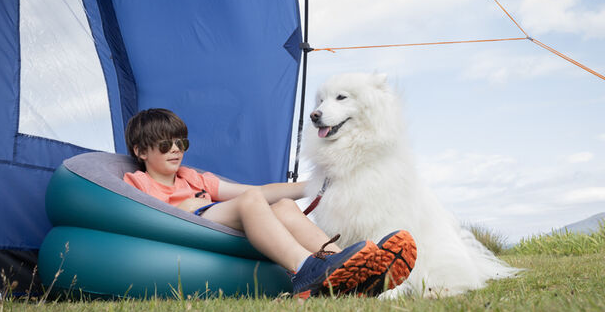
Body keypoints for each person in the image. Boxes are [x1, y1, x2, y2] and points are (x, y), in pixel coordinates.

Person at [123, 108, 416, 297]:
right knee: (250, 200)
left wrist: (311, 188)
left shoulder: (193, 177)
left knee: (284, 206)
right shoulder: (137, 182)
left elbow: (257, 191)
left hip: (213, 215)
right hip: (188, 225)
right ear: (140, 151)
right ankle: (305, 270)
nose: (176, 150)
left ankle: (354, 269)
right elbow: (141, 216)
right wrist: (183, 205)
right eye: (165, 145)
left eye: (181, 143)